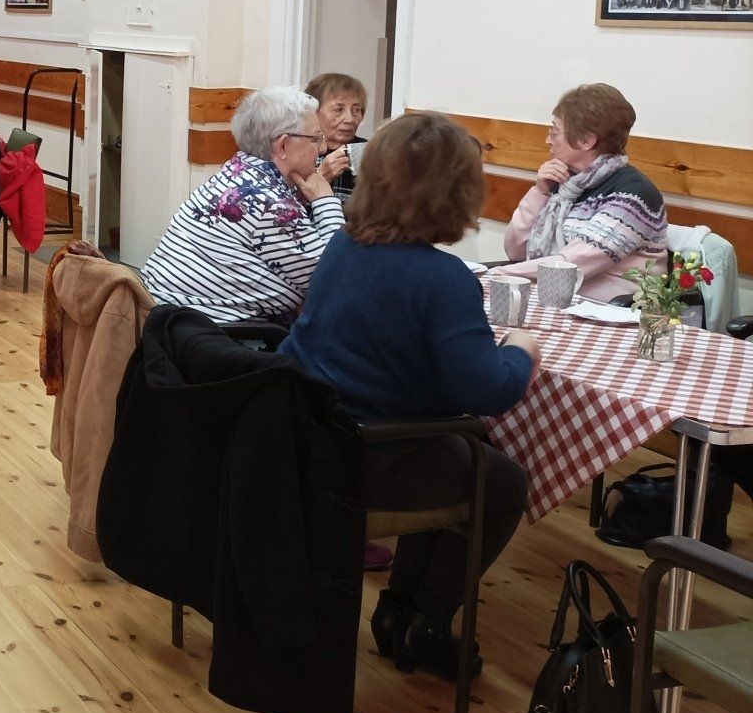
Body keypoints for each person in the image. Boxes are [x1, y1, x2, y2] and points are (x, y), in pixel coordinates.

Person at [280, 113, 537, 680]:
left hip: (307, 440)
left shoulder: (344, 248)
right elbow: (489, 390)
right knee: (502, 481)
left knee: (462, 454)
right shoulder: (442, 278)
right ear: (457, 192)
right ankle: (422, 620)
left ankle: (402, 615)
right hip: (366, 456)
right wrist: (521, 349)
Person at [140, 85, 344, 325]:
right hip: (216, 335)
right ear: (283, 146)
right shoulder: (271, 203)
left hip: (165, 317)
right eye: (315, 139)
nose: (321, 149)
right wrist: (325, 200)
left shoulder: (237, 172)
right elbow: (334, 274)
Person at [501, 83, 666, 302]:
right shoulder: (566, 182)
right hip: (558, 299)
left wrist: (501, 274)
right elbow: (515, 251)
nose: (547, 140)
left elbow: (571, 264)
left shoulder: (634, 194)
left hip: (614, 312)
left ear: (586, 141)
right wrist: (539, 191)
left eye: (555, 132)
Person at [305, 72, 368, 198]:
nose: (350, 119)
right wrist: (321, 178)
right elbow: (287, 211)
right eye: (339, 110)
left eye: (356, 110)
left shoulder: (367, 152)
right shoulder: (299, 151)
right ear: (313, 112)